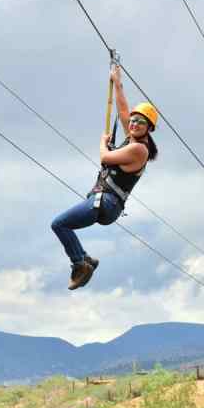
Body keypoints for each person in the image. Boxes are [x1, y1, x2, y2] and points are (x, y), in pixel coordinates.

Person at [51, 65, 159, 290]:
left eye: (140, 122)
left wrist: (103, 142)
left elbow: (105, 158)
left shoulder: (140, 150)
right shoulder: (133, 139)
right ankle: (84, 260)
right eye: (134, 120)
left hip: (106, 203)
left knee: (59, 224)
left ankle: (80, 263)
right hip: (104, 202)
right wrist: (116, 81)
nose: (134, 123)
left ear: (148, 128)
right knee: (61, 225)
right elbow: (122, 110)